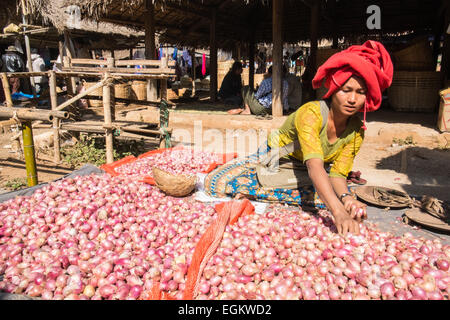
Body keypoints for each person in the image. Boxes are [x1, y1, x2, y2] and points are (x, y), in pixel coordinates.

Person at [204, 40, 393, 235]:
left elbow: (337, 174)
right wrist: (338, 211)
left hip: (310, 165)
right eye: (346, 90)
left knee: (336, 193)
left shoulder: (356, 131)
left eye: (360, 93)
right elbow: (314, 166)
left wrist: (345, 198)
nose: (352, 99)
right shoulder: (311, 114)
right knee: (313, 192)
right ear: (334, 89)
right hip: (280, 157)